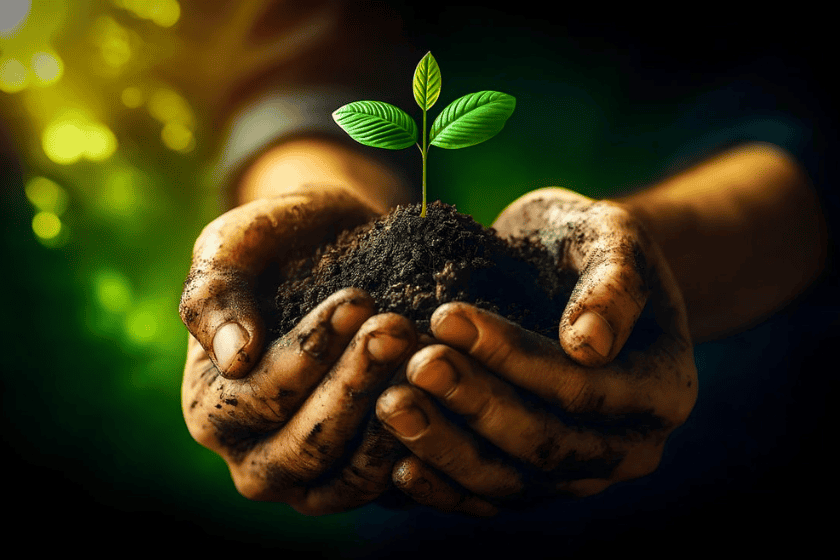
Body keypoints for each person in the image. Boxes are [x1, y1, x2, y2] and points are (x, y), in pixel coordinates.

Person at [177, 1, 829, 519]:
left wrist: (634, 268)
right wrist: (307, 209)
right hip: (386, 493)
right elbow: (303, 65)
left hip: (747, 409)